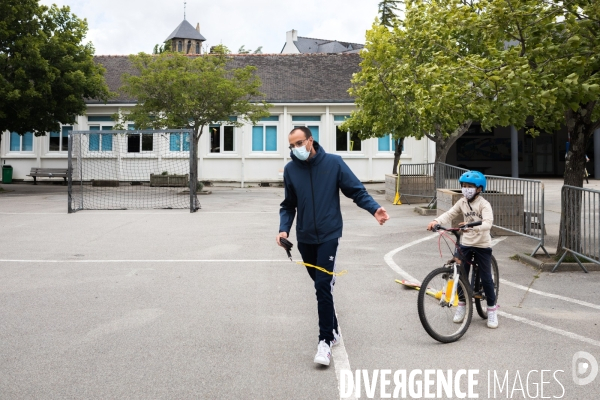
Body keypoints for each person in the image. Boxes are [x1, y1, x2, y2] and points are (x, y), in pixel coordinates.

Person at [277, 127, 390, 366]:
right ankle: (333, 327)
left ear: (310, 141)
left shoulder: (334, 163)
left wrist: (374, 209)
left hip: (329, 234)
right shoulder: (290, 170)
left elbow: (356, 191)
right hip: (305, 237)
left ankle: (325, 341)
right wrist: (283, 229)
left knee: (321, 286)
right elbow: (288, 205)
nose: (295, 149)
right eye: (291, 145)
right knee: (321, 284)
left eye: (299, 143)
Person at [426, 170, 498, 329]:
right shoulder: (462, 202)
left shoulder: (484, 204)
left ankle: (492, 310)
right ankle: (462, 305)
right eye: (464, 186)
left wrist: (471, 226)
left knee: (486, 278)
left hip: (482, 244)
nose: (466, 189)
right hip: (466, 242)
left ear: (479, 189)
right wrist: (436, 221)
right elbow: (450, 214)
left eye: (470, 186)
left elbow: (488, 223)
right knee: (459, 274)